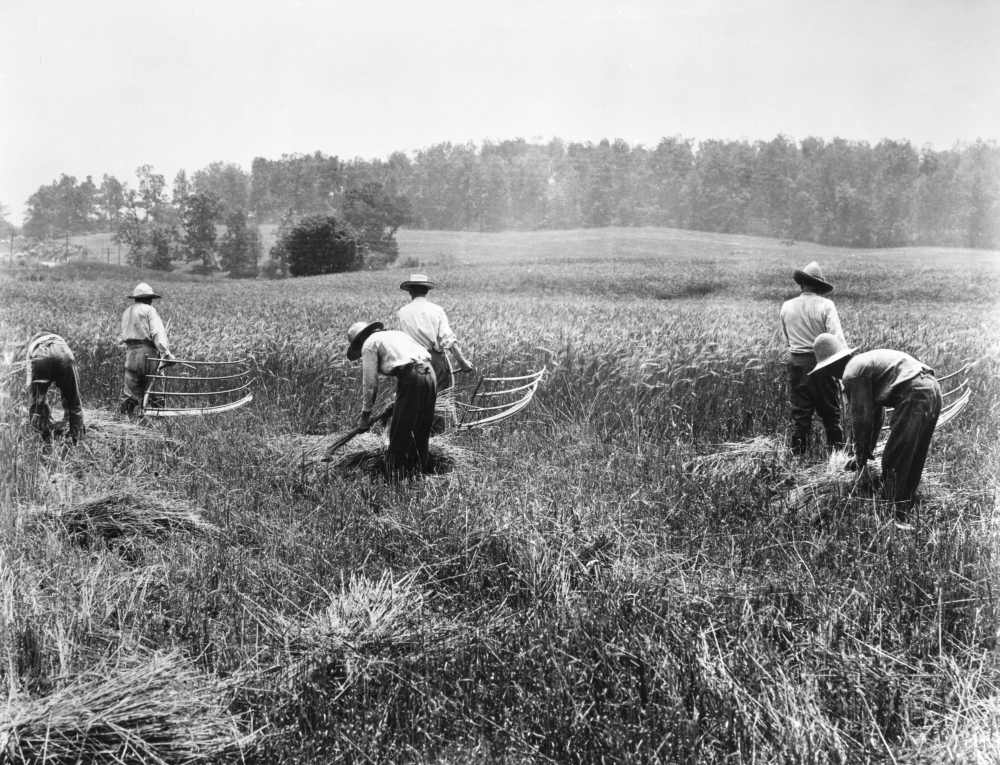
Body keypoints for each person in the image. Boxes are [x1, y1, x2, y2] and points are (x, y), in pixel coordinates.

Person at [810, 333, 942, 518]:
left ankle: (890, 515)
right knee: (913, 455)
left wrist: (860, 455)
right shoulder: (863, 363)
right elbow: (876, 415)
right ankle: (903, 509)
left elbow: (861, 419)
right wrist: (867, 449)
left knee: (894, 457)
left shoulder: (852, 373)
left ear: (831, 366)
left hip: (915, 394)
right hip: (931, 389)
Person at [347, 320, 438, 478]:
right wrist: (398, 401)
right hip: (430, 374)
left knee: (400, 432)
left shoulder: (368, 344)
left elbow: (370, 384)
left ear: (360, 340)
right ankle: (417, 473)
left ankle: (394, 478)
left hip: (413, 378)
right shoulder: (395, 334)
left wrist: (365, 417)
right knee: (421, 427)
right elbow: (410, 362)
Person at [779, 261, 846, 455]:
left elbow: (787, 339)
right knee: (831, 415)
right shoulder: (826, 305)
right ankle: (837, 460)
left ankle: (798, 460)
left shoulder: (786, 306)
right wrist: (843, 371)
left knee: (800, 415)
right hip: (823, 364)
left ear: (802, 284)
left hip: (797, 364)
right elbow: (837, 340)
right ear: (819, 286)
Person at [397, 274, 474, 433]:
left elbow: (402, 341)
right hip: (435, 362)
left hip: (411, 363)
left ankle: (416, 440)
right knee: (438, 403)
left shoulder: (402, 312)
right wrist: (462, 362)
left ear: (410, 290)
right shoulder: (436, 310)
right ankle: (437, 441)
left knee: (415, 401)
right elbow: (448, 339)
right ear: (426, 290)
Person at [120, 283, 175, 416]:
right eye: (150, 298)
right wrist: (166, 353)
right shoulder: (149, 310)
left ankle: (126, 418)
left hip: (131, 352)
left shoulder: (127, 311)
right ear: (148, 298)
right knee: (155, 383)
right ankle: (156, 418)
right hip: (147, 351)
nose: (151, 301)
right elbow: (157, 333)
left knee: (131, 387)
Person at [25, 331, 85, 443]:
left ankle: (37, 440)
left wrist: (41, 402)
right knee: (74, 401)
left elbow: (32, 390)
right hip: (64, 352)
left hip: (40, 356)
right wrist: (68, 411)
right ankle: (78, 441)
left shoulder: (32, 348)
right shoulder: (58, 339)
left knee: (35, 406)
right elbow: (68, 388)